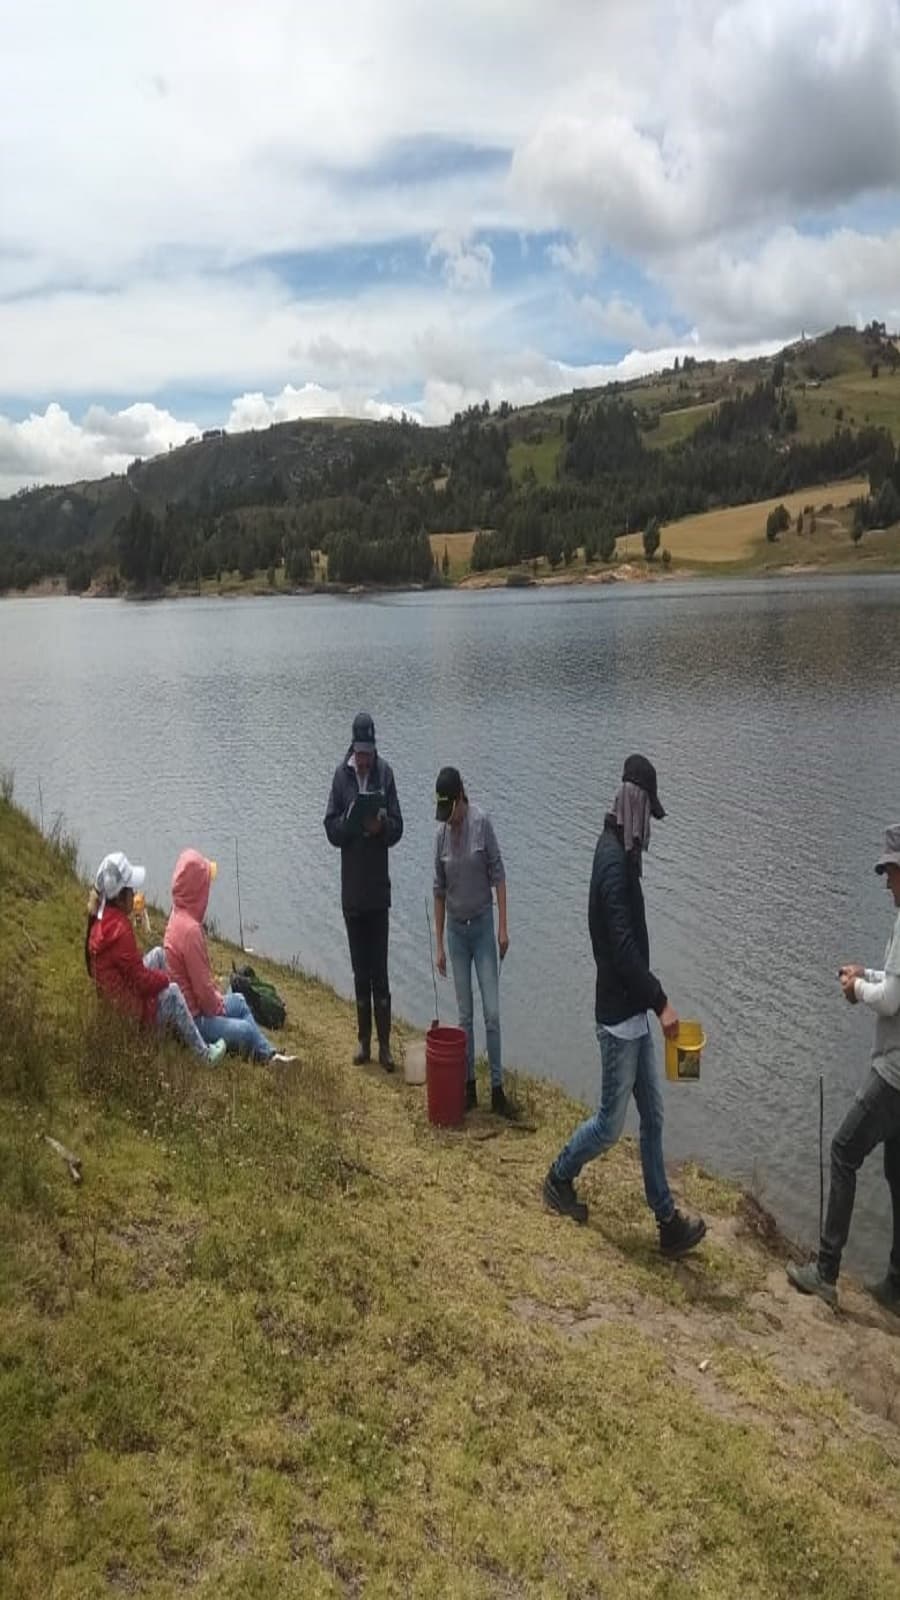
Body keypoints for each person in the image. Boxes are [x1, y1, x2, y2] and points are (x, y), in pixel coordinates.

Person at [543, 755, 706, 1258]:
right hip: (618, 1018)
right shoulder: (612, 865)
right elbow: (622, 948)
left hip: (632, 1012)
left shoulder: (621, 852)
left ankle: (666, 1221)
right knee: (610, 1125)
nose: (650, 828)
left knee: (653, 1116)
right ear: (633, 804)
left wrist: (649, 1005)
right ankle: (558, 1176)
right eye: (648, 812)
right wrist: (662, 1004)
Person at [787, 825, 900, 1311]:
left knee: (842, 1151)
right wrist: (868, 973)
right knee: (897, 1174)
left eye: (890, 873)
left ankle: (826, 1272)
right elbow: (895, 981)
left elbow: (892, 1000)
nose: (886, 884)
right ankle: (897, 1283)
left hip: (894, 1074)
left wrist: (856, 990)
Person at [86, 850, 226, 1066]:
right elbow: (140, 980)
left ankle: (181, 1016)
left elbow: (130, 974)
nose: (135, 894)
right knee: (172, 992)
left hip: (117, 1004)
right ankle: (204, 1054)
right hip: (131, 1020)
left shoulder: (101, 919)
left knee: (159, 954)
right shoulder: (120, 930)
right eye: (131, 890)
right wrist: (164, 980)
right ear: (121, 898)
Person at [164, 848, 296, 1065]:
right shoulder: (190, 931)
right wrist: (219, 1008)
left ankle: (269, 1053)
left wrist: (219, 1002)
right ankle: (268, 1058)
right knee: (244, 1029)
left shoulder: (177, 915)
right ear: (198, 890)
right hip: (194, 1020)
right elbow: (204, 994)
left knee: (241, 1000)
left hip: (194, 1008)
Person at [432, 766, 514, 1117]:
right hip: (456, 933)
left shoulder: (483, 823)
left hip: (482, 928)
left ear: (461, 798)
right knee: (464, 1016)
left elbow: (498, 873)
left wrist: (503, 928)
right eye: (443, 815)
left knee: (491, 1013)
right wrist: (438, 944)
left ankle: (497, 1089)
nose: (448, 821)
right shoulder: (439, 838)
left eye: (450, 812)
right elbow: (438, 890)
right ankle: (468, 1088)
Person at [324, 711, 403, 1069]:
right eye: (361, 752)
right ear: (353, 748)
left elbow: (399, 828)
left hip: (378, 892)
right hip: (352, 893)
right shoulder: (341, 778)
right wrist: (353, 825)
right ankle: (363, 1042)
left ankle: (385, 1046)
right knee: (360, 971)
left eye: (370, 751)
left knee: (381, 972)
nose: (366, 758)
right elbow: (331, 829)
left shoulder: (385, 775)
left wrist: (380, 828)